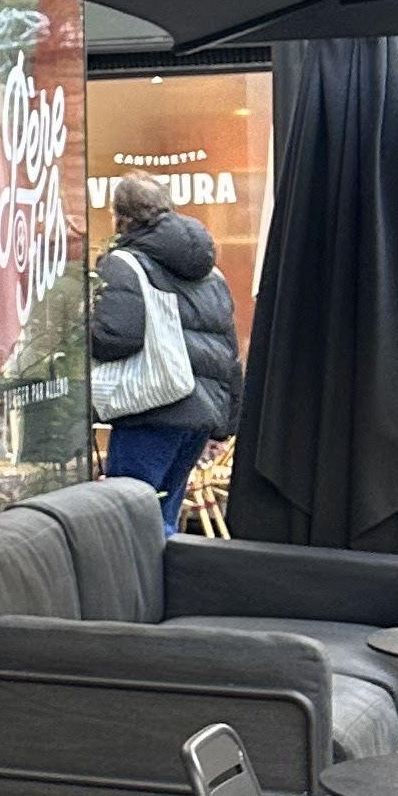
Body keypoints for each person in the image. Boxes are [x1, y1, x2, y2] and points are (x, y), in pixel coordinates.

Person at [90, 171, 240, 534]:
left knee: (129, 525)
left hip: (152, 409)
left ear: (120, 217)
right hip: (198, 417)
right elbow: (229, 351)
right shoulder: (211, 272)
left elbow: (117, 337)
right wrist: (228, 420)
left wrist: (79, 329)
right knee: (164, 520)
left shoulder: (124, 264)